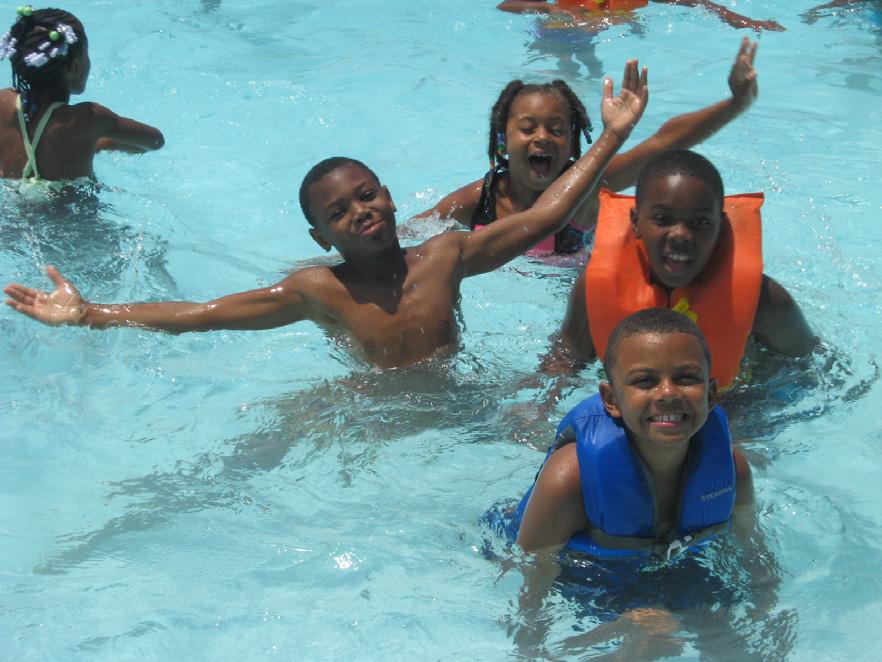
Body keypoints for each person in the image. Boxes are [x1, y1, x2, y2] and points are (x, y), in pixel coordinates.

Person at [3, 61, 648, 370]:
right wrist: (91, 314)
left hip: (455, 397)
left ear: (390, 197)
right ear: (320, 236)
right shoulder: (318, 290)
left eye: (367, 195)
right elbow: (202, 315)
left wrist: (614, 134)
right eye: (340, 212)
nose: (361, 212)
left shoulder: (447, 256)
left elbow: (547, 215)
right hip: (370, 412)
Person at [414, 38, 764, 256]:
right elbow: (412, 234)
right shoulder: (480, 200)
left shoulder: (589, 187)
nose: (542, 137)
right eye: (528, 128)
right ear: (503, 140)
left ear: (572, 143)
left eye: (557, 130)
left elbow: (662, 143)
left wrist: (734, 104)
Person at [549, 149, 817, 391]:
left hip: (732, 408)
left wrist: (746, 413)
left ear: (720, 226)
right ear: (636, 221)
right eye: (662, 219)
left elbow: (812, 370)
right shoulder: (594, 289)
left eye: (700, 222)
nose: (680, 235)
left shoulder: (766, 301)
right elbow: (565, 362)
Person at [517, 308, 748, 554]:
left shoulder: (734, 469)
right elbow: (529, 571)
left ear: (711, 395)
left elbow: (752, 553)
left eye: (686, 378)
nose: (668, 393)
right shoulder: (571, 479)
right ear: (611, 399)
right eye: (645, 381)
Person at [0, 6, 164, 181]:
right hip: (70, 199)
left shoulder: (3, 101)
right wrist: (101, 143)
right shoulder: (88, 118)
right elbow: (155, 140)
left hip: (13, 197)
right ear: (75, 66)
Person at [497, 0, 784, 33]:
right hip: (555, 33)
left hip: (597, 34)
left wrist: (741, 19)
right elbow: (505, 5)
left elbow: (696, 2)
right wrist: (549, 9)